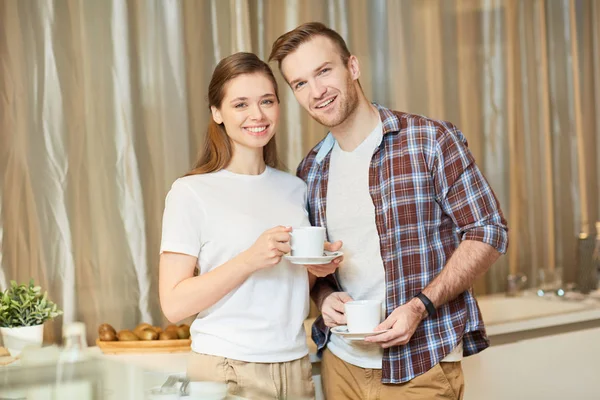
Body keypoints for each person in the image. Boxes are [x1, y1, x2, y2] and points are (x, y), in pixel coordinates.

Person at [269, 22, 509, 399]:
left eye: (324, 71)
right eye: (300, 83)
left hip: (421, 362)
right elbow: (319, 267)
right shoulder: (312, 169)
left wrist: (420, 306)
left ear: (353, 67)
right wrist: (324, 298)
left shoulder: (429, 141)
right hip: (342, 365)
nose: (316, 92)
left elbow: (489, 231)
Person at [158, 52, 328, 400]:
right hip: (226, 369)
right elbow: (173, 305)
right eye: (241, 104)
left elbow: (285, 289)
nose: (258, 115)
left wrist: (315, 268)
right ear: (217, 113)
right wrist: (249, 259)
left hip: (295, 366)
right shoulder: (190, 192)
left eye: (267, 101)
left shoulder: (295, 188)